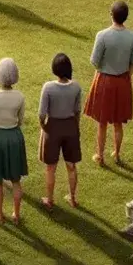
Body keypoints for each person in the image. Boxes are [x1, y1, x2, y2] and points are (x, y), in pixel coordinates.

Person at [84, 1, 133, 165]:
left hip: (104, 81)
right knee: (118, 122)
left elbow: (94, 61)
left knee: (102, 122)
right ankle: (116, 153)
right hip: (122, 81)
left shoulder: (102, 35)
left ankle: (100, 155)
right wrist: (127, 74)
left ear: (111, 15)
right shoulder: (132, 37)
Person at [0, 58, 28, 224]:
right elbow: (21, 119)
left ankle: (0, 214)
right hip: (14, 137)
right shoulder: (20, 97)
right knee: (16, 180)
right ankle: (16, 214)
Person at [37, 53, 82, 209]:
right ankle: (73, 198)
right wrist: (76, 127)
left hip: (53, 128)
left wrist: (43, 127)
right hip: (70, 127)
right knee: (71, 165)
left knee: (51, 167)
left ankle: (49, 200)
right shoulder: (76, 86)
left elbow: (42, 114)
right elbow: (77, 111)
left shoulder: (48, 87)